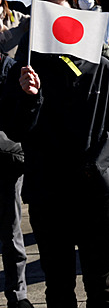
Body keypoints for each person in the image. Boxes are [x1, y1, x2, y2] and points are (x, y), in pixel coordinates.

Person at [0, 0, 109, 308]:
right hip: (48, 192)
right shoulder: (25, 69)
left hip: (95, 190)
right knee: (58, 284)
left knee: (101, 281)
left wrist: (99, 163)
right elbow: (15, 129)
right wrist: (30, 98)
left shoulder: (101, 64)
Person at [0, 51, 33, 308]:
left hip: (5, 161)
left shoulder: (12, 70)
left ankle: (18, 295)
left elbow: (20, 120)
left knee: (11, 231)